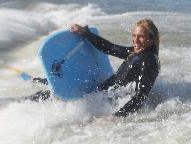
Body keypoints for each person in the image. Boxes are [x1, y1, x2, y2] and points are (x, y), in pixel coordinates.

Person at [29, 19, 160, 117]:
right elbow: (110, 48)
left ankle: (20, 105)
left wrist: (115, 117)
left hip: (106, 101)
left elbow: (140, 97)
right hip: (102, 94)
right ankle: (33, 91)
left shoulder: (149, 61)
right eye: (134, 35)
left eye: (141, 37)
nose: (135, 41)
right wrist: (86, 34)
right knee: (48, 92)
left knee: (49, 96)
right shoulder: (137, 52)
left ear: (152, 39)